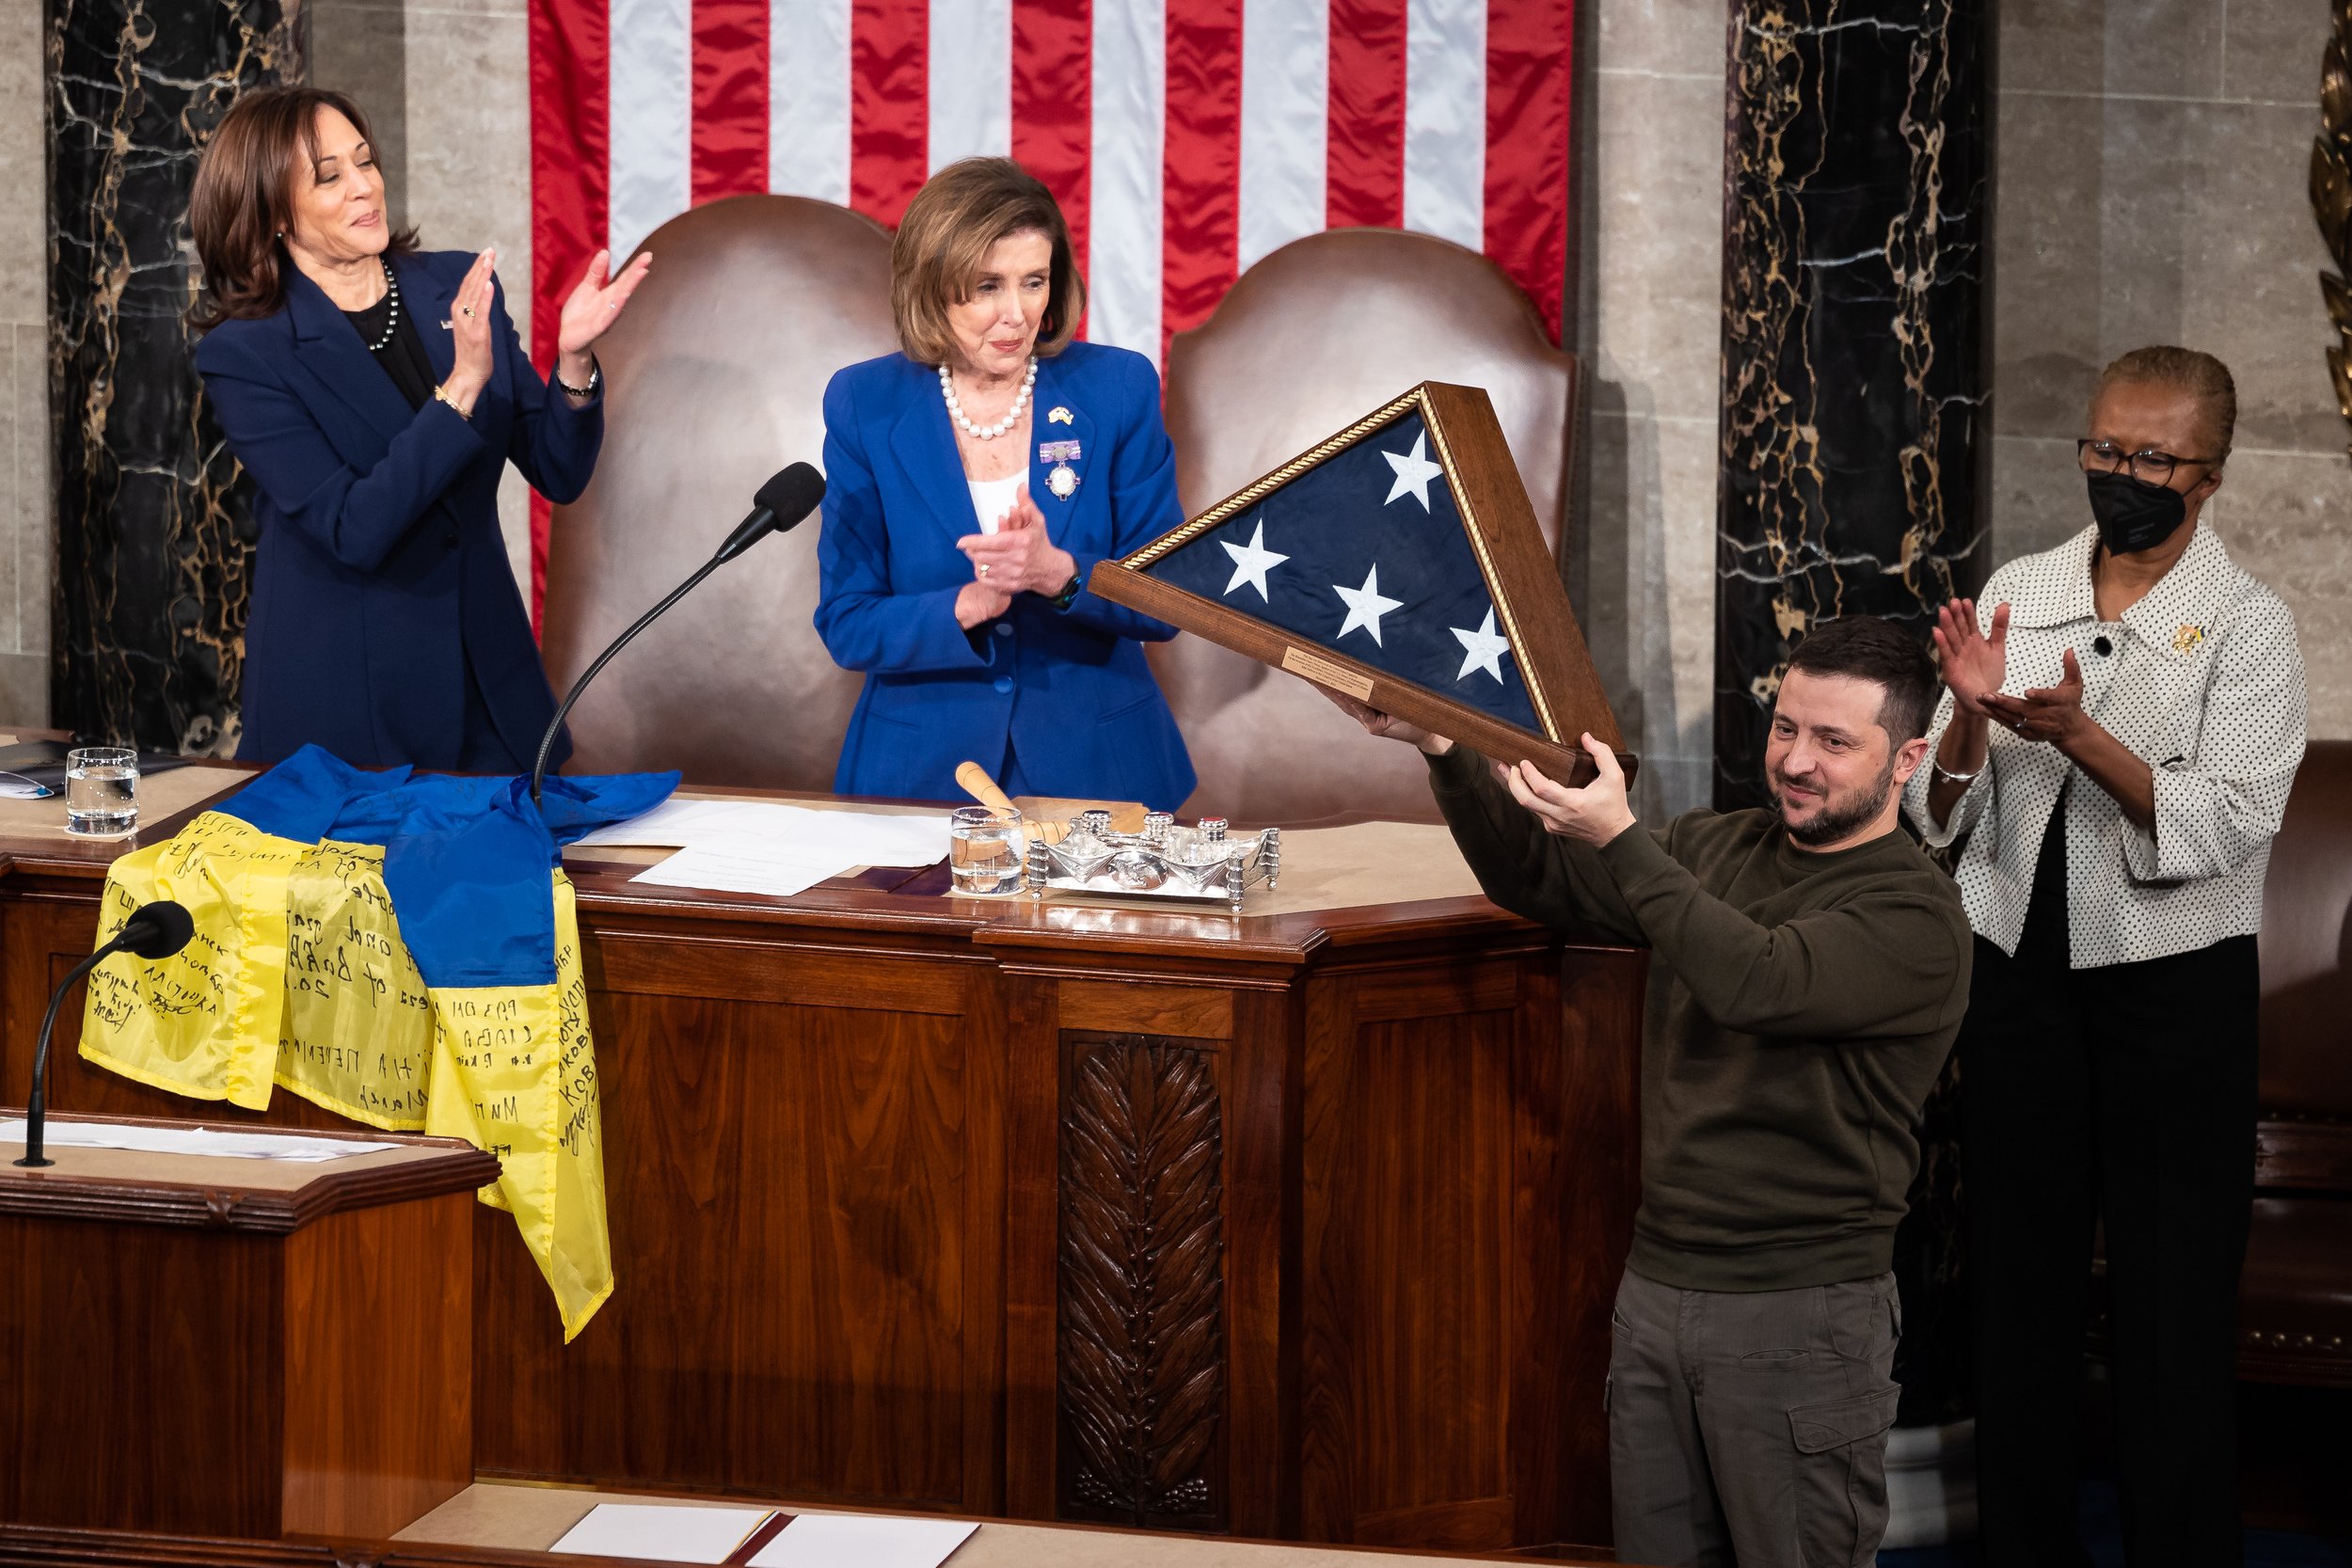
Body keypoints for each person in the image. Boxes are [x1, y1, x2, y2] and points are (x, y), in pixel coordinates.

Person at [1331, 616, 1971, 1568]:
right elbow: (1538, 874)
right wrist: (1441, 743)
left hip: (1799, 1311)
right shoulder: (1718, 848)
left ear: (1907, 758)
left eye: (1834, 741)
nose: (1795, 760)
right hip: (1658, 1289)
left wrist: (1626, 837)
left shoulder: (1913, 910)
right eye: (1785, 726)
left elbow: (1754, 978)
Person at [1908, 346, 2305, 1568]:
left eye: (2152, 458)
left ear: (2212, 474)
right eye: (2105, 449)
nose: (2121, 474)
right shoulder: (2022, 584)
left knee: (2169, 1306)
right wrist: (1970, 712)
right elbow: (1939, 809)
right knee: (2016, 1293)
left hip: (2175, 993)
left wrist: (2082, 733)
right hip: (2019, 980)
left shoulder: (2250, 622)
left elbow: (2228, 821)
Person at [189, 87, 649, 770]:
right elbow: (354, 527)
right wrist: (461, 387)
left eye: (365, 161)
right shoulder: (247, 354)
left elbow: (559, 468)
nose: (363, 187)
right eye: (329, 175)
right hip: (353, 709)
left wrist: (575, 358)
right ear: (273, 213)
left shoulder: (454, 285)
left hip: (492, 695)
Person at [815, 157, 1194, 809]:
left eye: (1033, 282)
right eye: (987, 286)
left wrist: (1061, 574)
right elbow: (847, 621)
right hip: (921, 780)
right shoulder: (865, 403)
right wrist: (965, 606)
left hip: (1099, 775)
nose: (1016, 314)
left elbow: (1170, 598)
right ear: (932, 287)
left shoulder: (1116, 389)